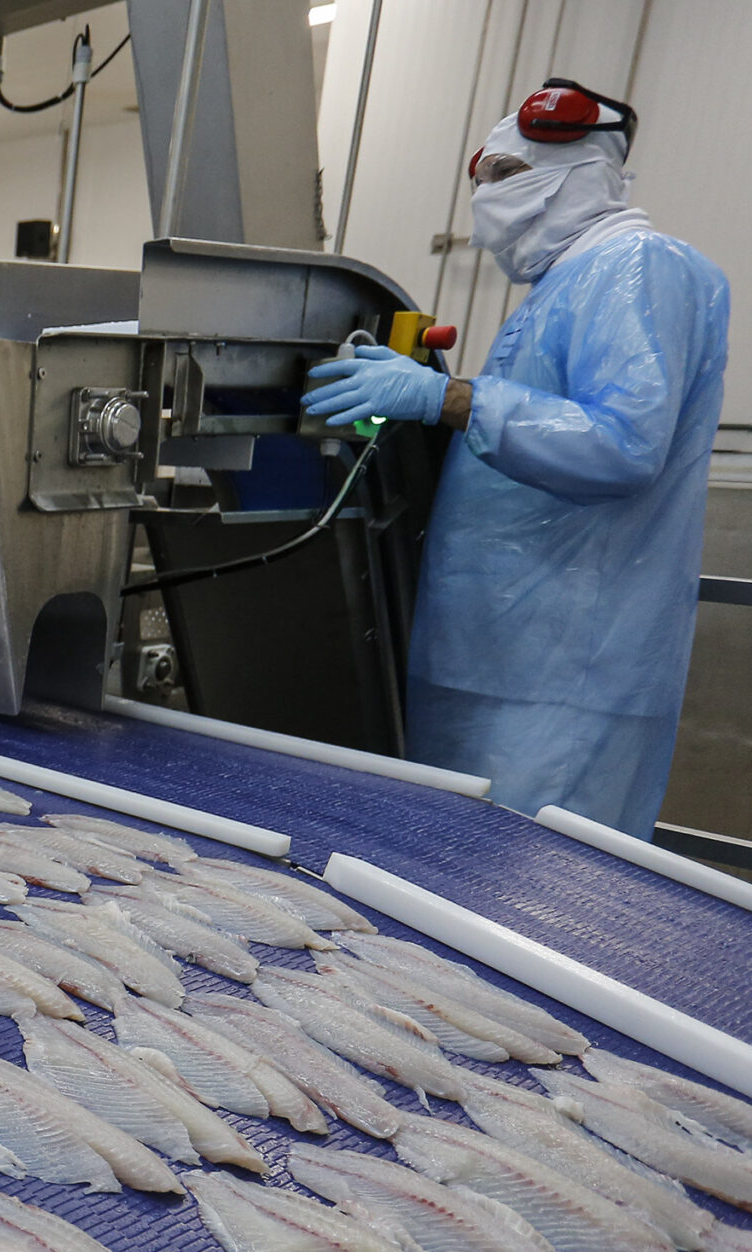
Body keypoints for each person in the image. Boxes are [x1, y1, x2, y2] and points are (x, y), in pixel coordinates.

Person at [304, 79, 728, 837]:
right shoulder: (560, 287)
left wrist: (453, 401)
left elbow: (624, 445)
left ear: (586, 168)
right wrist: (430, 403)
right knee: (450, 882)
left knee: (532, 901)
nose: (487, 199)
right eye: (483, 179)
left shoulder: (639, 265)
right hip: (490, 658)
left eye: (507, 175)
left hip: (566, 673)